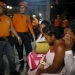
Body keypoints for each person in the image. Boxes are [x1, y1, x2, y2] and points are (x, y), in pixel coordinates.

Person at [0, 1, 22, 75]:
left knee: (11, 57)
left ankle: (12, 71)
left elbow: (12, 28)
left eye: (0, 8)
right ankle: (1, 72)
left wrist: (17, 36)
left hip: (7, 40)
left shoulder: (8, 18)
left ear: (4, 9)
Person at [12, 1, 35, 72]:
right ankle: (21, 65)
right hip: (18, 35)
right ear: (19, 8)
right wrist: (14, 35)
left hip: (26, 35)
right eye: (21, 8)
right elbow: (12, 26)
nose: (22, 9)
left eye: (23, 8)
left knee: (29, 49)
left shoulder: (27, 17)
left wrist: (33, 34)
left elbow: (30, 26)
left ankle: (28, 64)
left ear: (26, 9)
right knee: (19, 50)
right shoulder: (15, 16)